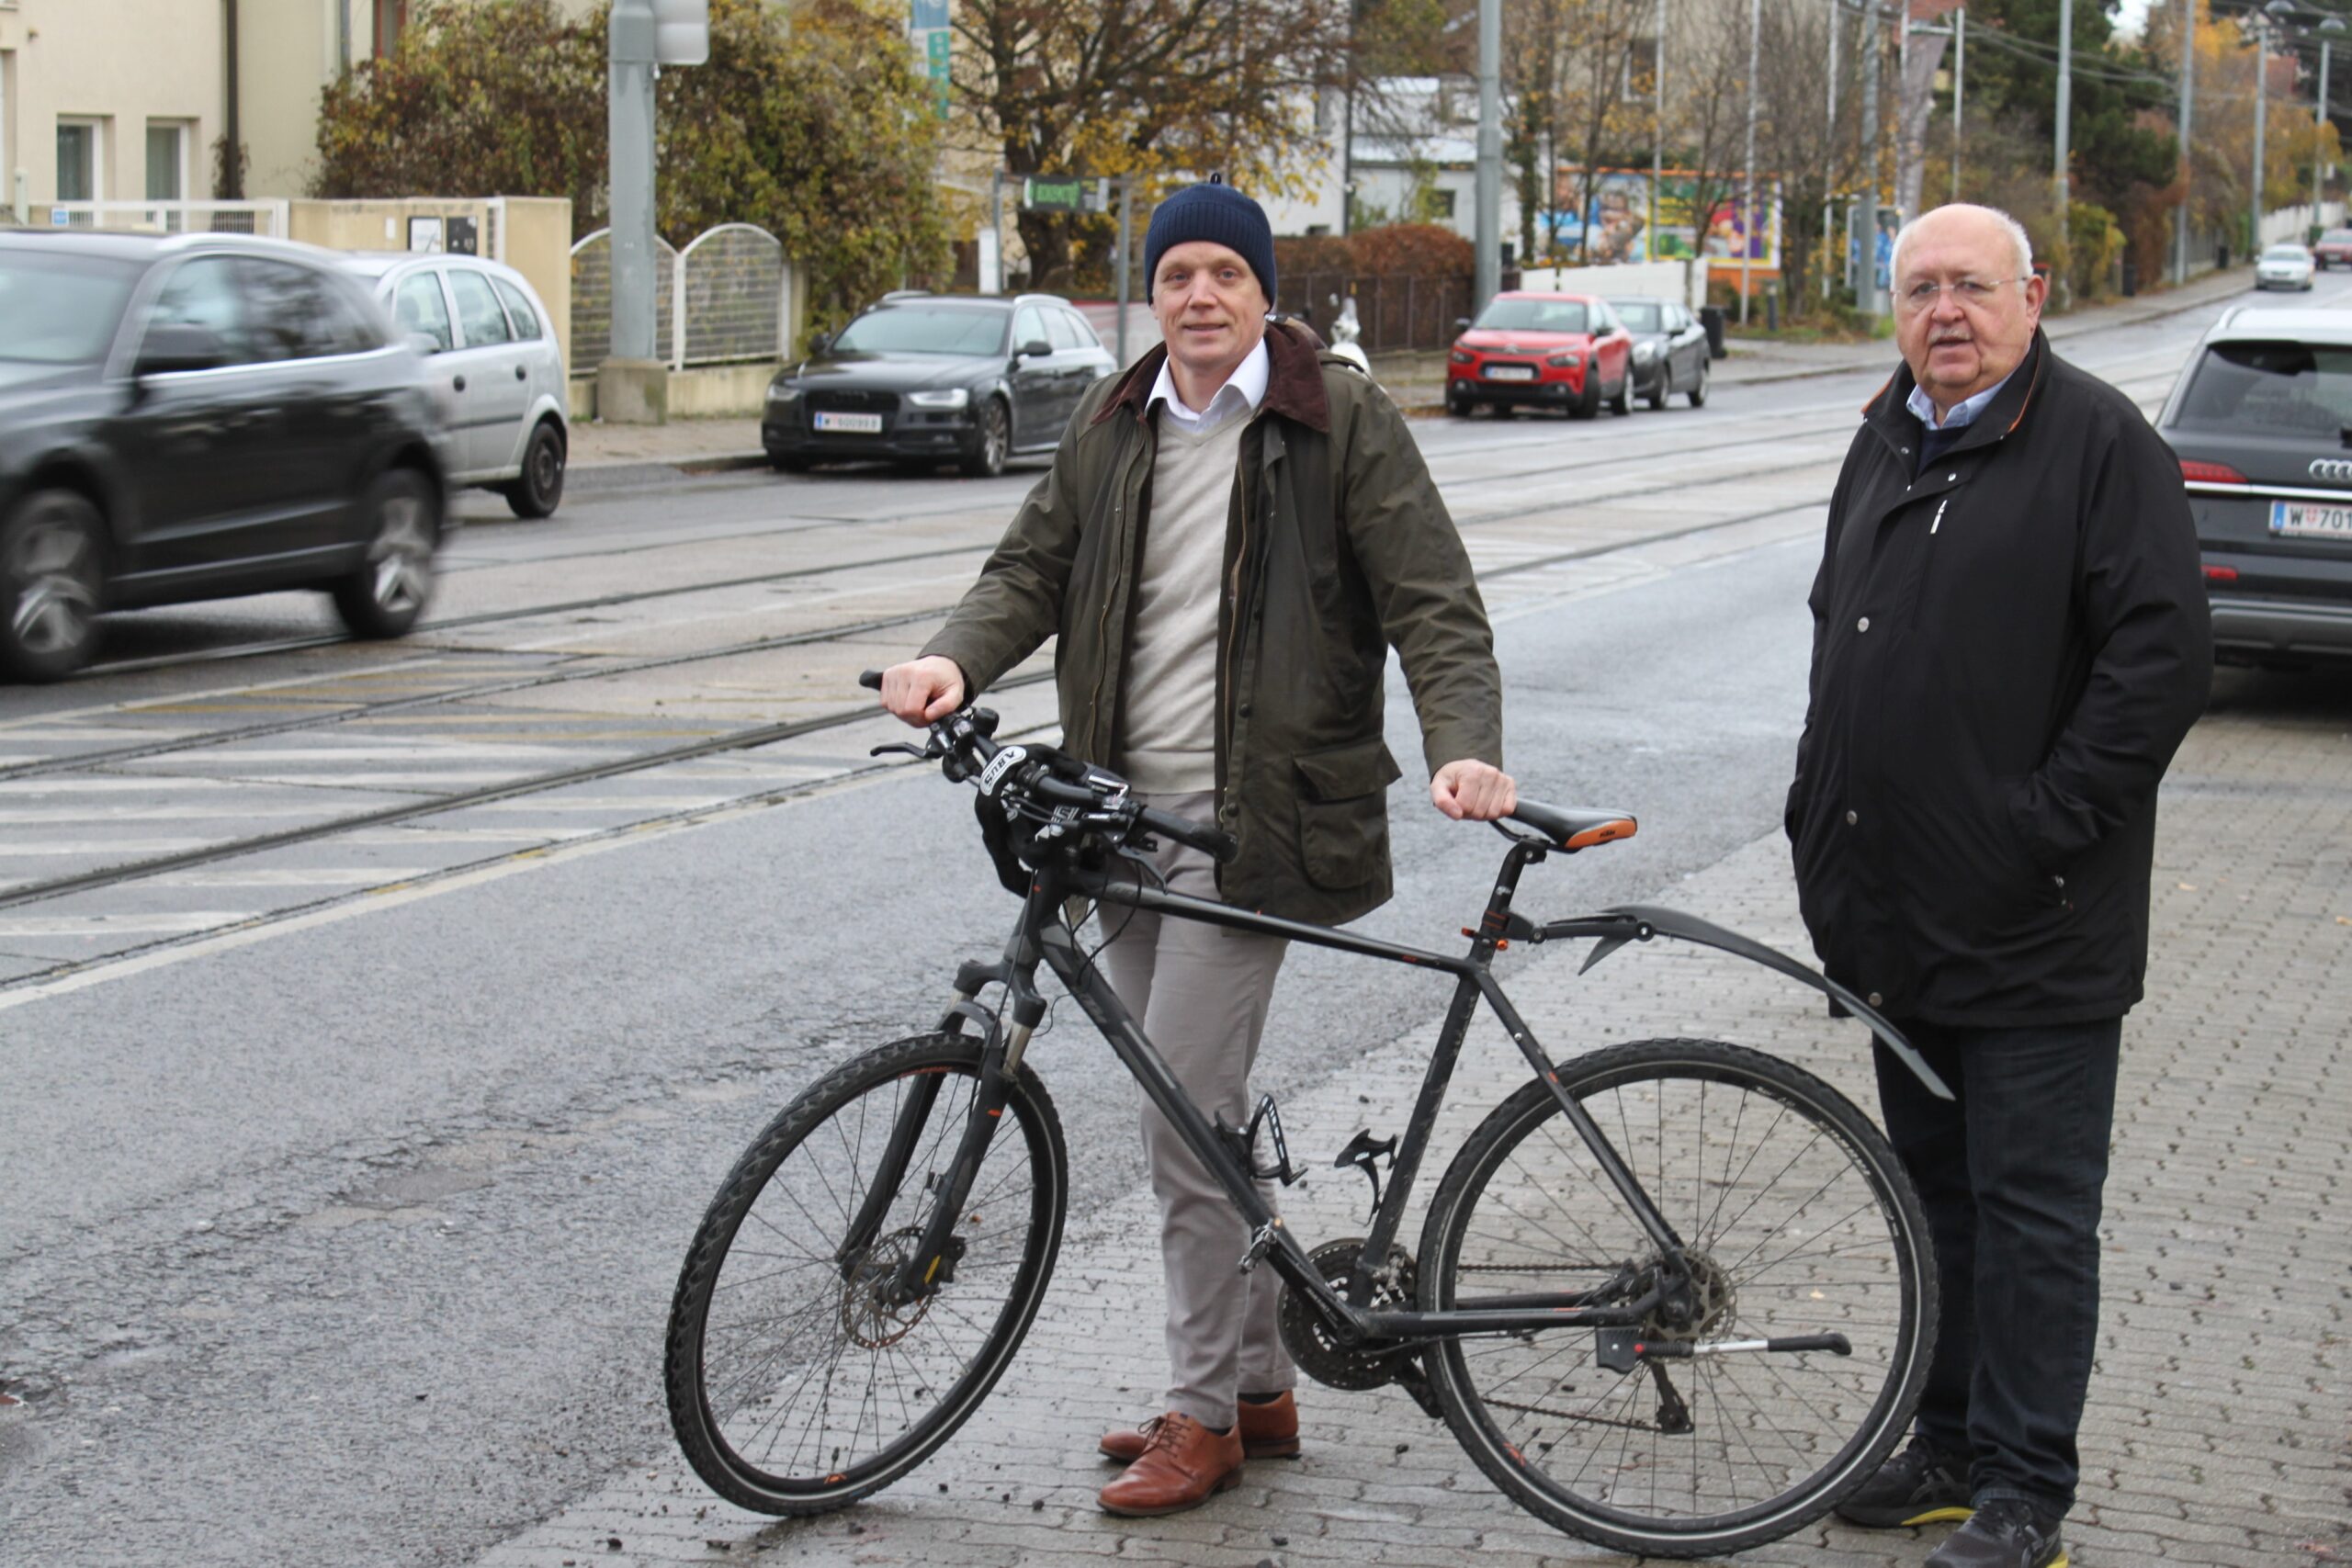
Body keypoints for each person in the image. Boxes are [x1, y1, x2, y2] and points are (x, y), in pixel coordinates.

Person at [877, 176, 1513, 1517]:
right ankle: (1262, 1383)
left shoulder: (1336, 419)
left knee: (1181, 1123)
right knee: (1202, 1118)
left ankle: (1200, 1415)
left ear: (1263, 291)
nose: (1201, 297)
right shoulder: (1118, 421)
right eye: (1178, 277)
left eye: (1226, 273)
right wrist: (950, 655)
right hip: (1119, 822)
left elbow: (1433, 603)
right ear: (1151, 293)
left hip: (1252, 830)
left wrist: (1464, 739)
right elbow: (1028, 572)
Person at [1786, 202, 2211, 1568]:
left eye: (1972, 287)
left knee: (2032, 1215)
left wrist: (2043, 828)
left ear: (2034, 297)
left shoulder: (2100, 446)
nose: (1945, 313)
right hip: (1899, 917)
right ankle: (1952, 1448)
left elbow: (2159, 666)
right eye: (1920, 290)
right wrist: (1817, 805)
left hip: (2037, 923)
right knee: (1940, 1199)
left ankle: (2027, 1489)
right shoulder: (1888, 433)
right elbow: (1834, 629)